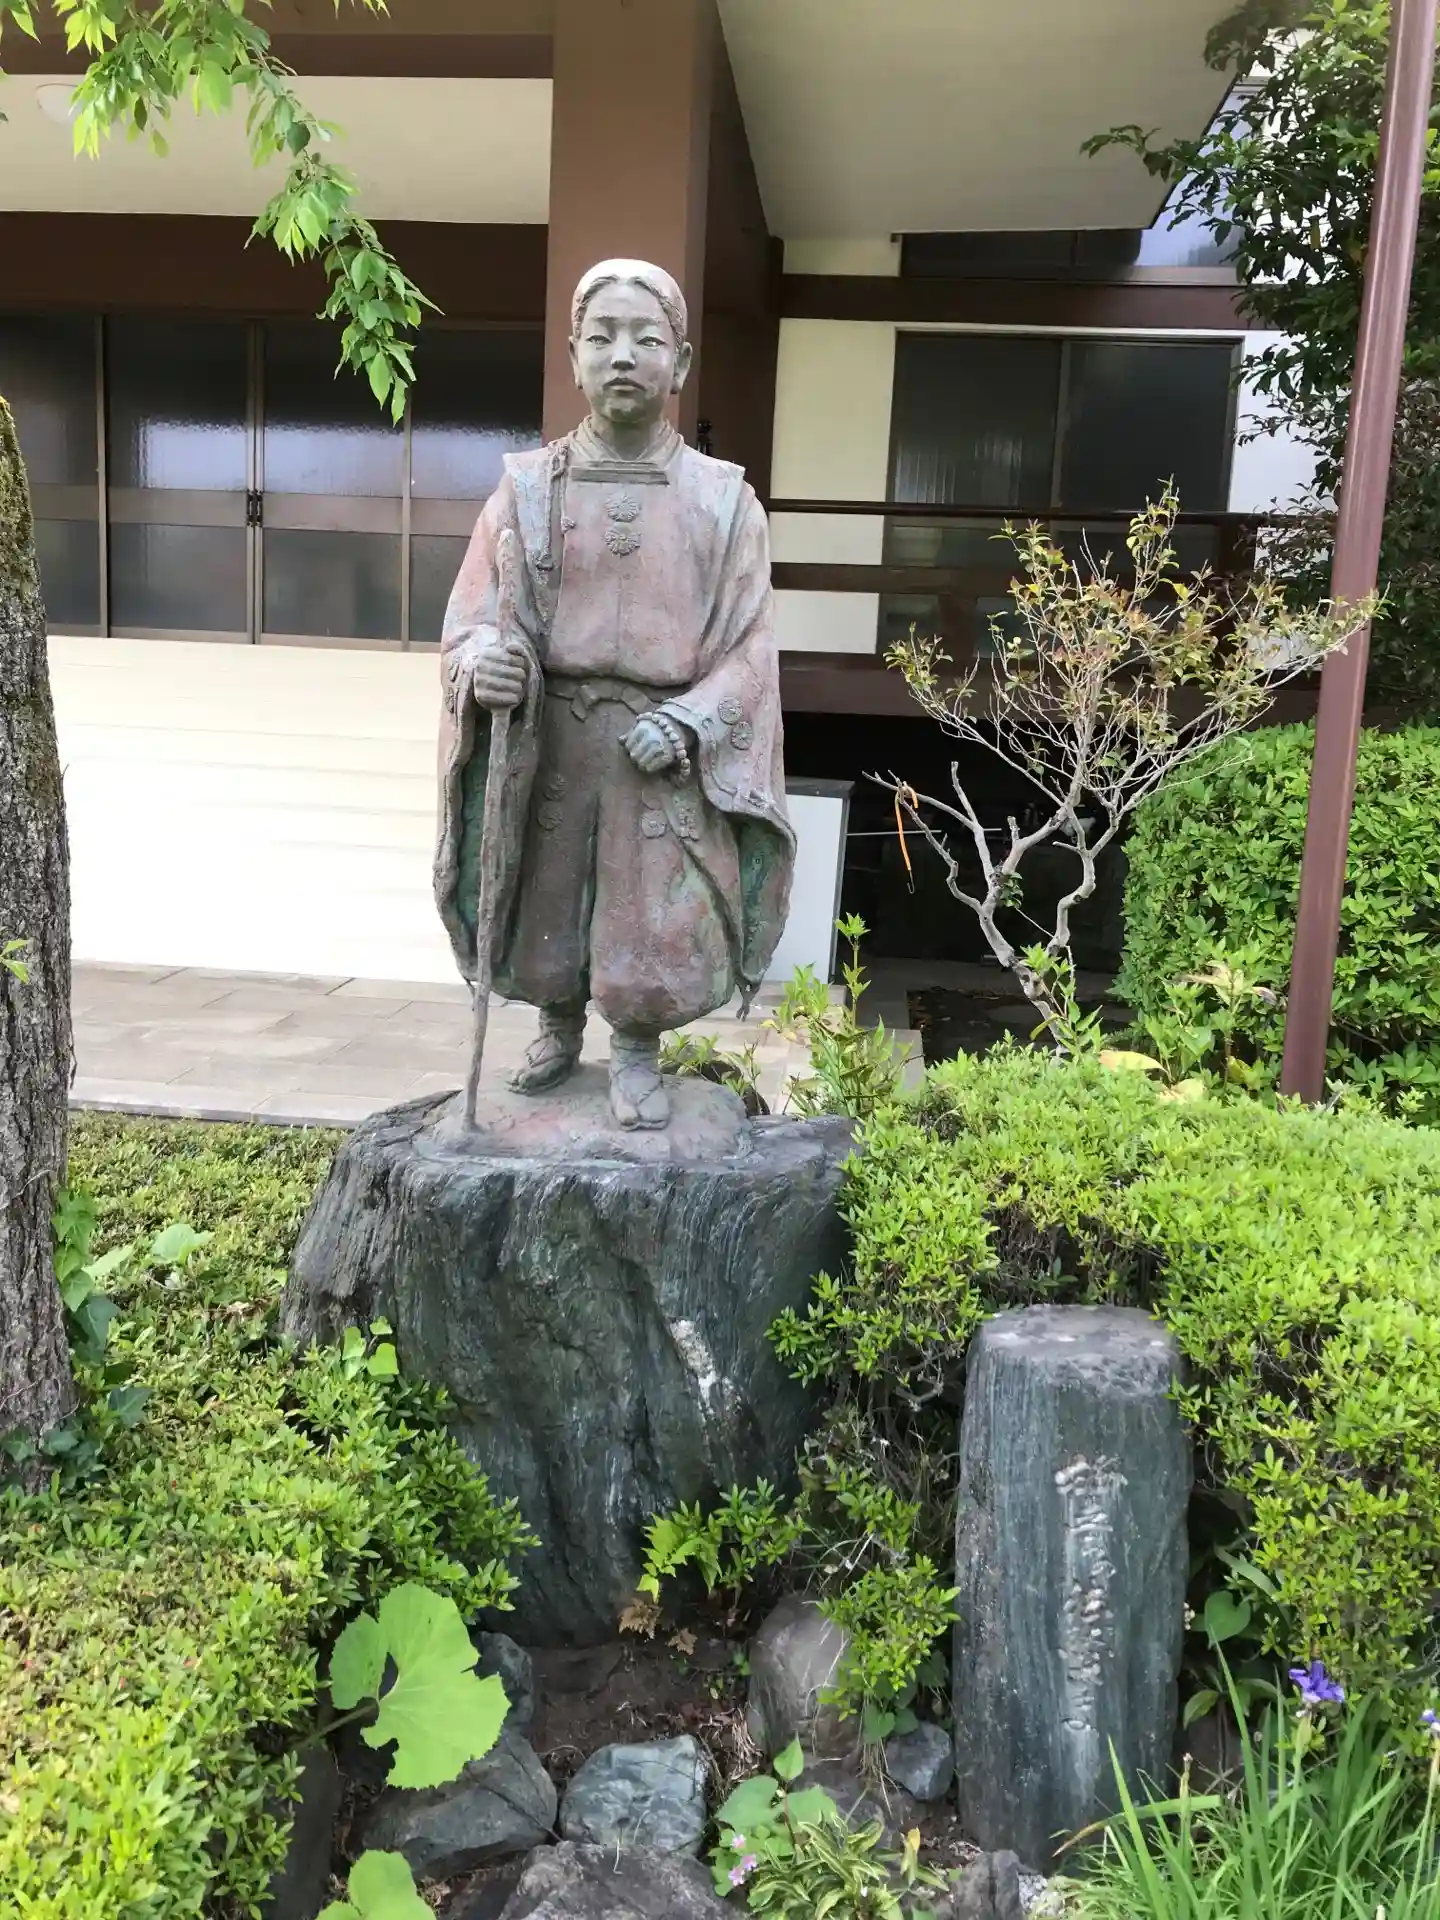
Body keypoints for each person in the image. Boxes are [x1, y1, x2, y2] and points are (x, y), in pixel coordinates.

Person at [434, 259, 794, 1130]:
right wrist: (484, 664)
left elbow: (751, 648)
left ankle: (636, 1050)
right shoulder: (525, 489)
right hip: (552, 742)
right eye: (601, 338)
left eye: (645, 338)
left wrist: (691, 720)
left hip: (660, 750)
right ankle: (556, 1027)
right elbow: (470, 619)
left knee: (649, 914)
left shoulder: (724, 500)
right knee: (546, 898)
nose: (622, 355)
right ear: (572, 356)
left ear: (681, 361)